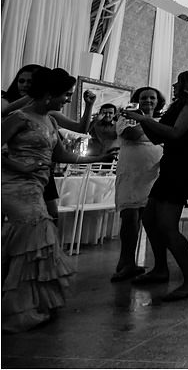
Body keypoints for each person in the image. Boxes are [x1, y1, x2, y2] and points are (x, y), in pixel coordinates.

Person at [1, 68, 108, 332]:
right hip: (12, 186)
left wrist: (97, 158)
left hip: (36, 186)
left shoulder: (49, 121)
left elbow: (61, 155)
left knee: (29, 239)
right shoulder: (19, 117)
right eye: (65, 95)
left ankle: (28, 299)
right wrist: (19, 166)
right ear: (49, 95)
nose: (67, 101)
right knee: (35, 232)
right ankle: (19, 308)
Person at [120, 70, 188, 302]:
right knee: (150, 219)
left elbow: (175, 133)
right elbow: (157, 138)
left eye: (180, 81)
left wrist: (145, 120)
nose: (174, 84)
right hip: (171, 163)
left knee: (167, 225)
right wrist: (142, 118)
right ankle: (160, 268)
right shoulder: (178, 105)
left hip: (183, 166)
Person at [2, 64, 97, 220]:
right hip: (11, 169)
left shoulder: (48, 113)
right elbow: (4, 112)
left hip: (40, 170)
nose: (26, 85)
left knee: (50, 215)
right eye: (21, 81)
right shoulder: (7, 104)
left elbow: (80, 128)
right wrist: (37, 94)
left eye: (30, 82)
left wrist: (89, 106)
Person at [111, 86, 166, 282]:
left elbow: (164, 138)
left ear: (158, 101)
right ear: (137, 100)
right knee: (129, 217)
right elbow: (131, 134)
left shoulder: (162, 121)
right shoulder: (126, 118)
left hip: (153, 174)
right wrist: (148, 127)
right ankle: (126, 261)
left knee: (150, 219)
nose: (148, 101)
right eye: (144, 98)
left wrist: (146, 127)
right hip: (131, 173)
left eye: (152, 98)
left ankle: (154, 263)